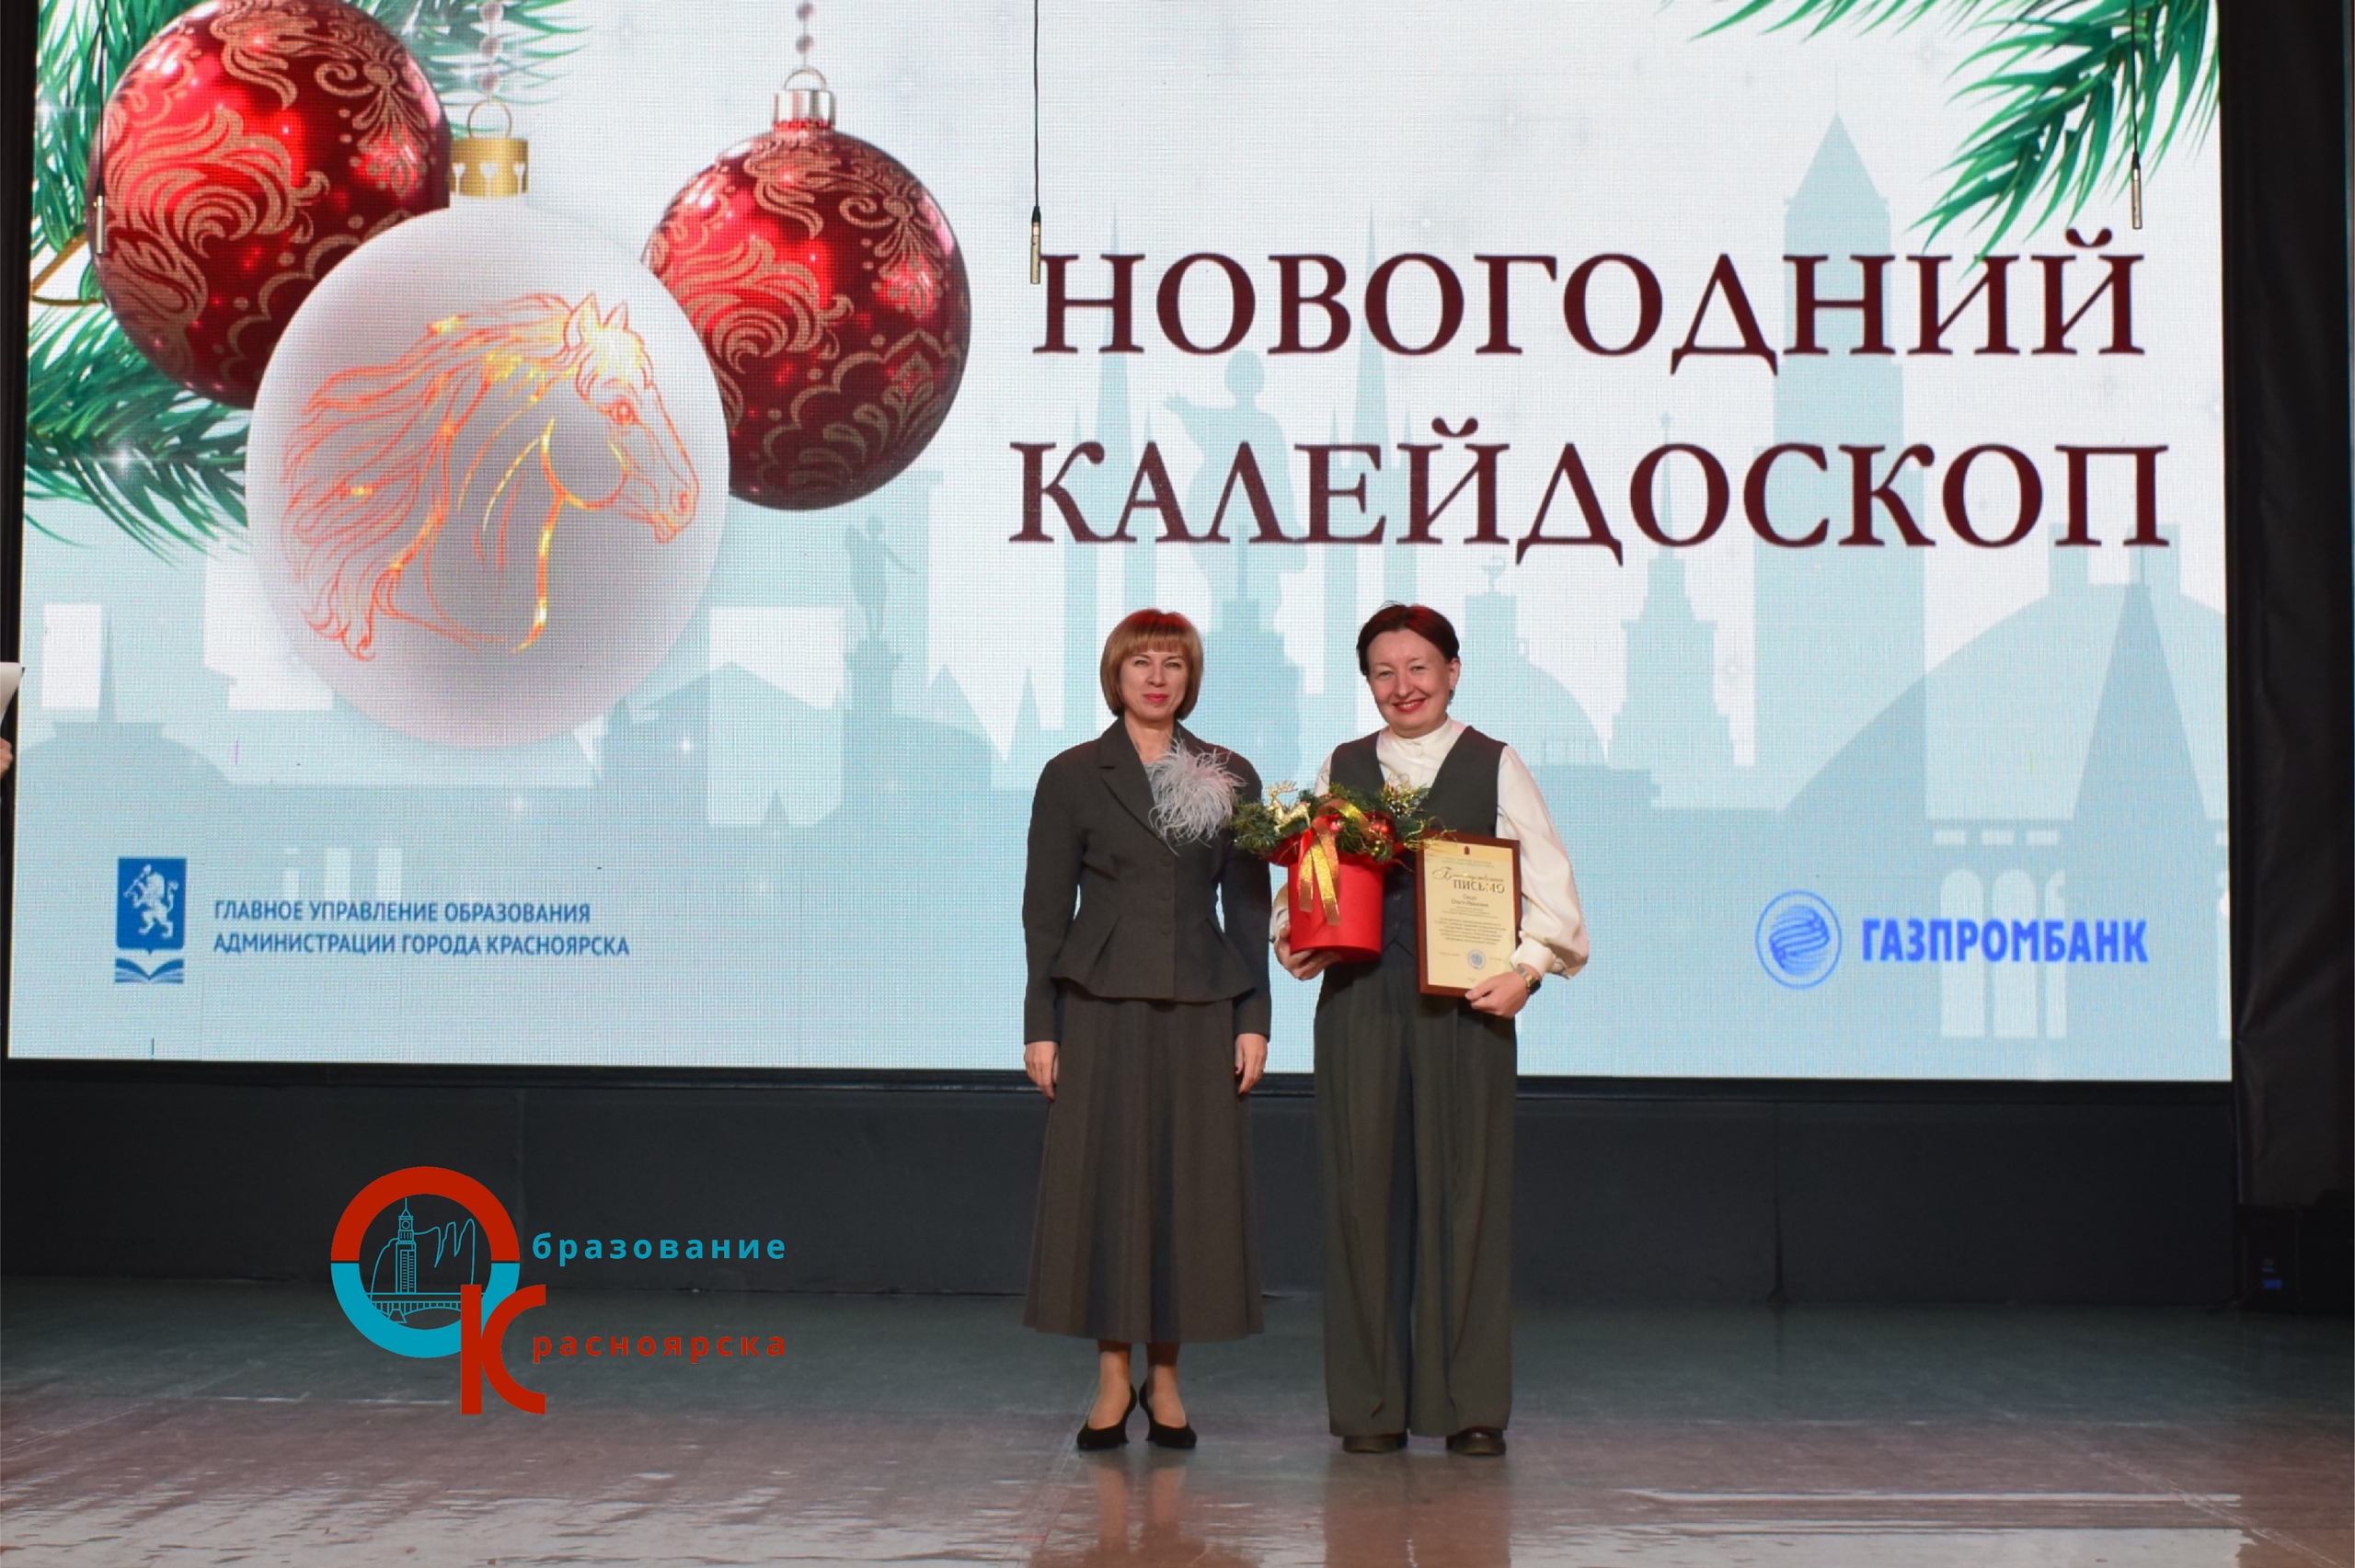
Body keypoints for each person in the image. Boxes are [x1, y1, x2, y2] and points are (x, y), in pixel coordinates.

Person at [1277, 603, 1589, 1458]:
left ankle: (1468, 1403)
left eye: (1419, 667)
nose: (1402, 685)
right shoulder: (1343, 765)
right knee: (1360, 1198)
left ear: (1453, 671)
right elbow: (1312, 877)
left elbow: (1554, 893)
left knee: (1467, 1198)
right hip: (1360, 1005)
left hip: (1465, 1009)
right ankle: (1370, 1406)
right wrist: (1297, 938)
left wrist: (1527, 970)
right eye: (1384, 671)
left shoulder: (1494, 762)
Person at [1021, 608, 1272, 1452]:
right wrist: (1042, 1024)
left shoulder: (1230, 773)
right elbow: (1045, 911)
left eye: (1173, 663)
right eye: (1142, 663)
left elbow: (1247, 910)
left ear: (1190, 677)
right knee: (1107, 1185)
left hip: (1202, 1004)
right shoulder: (1071, 774)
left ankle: (1166, 1379)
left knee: (1186, 1190)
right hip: (1098, 1003)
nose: (1157, 677)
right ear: (1117, 675)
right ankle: (1111, 1376)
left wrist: (1255, 1020)